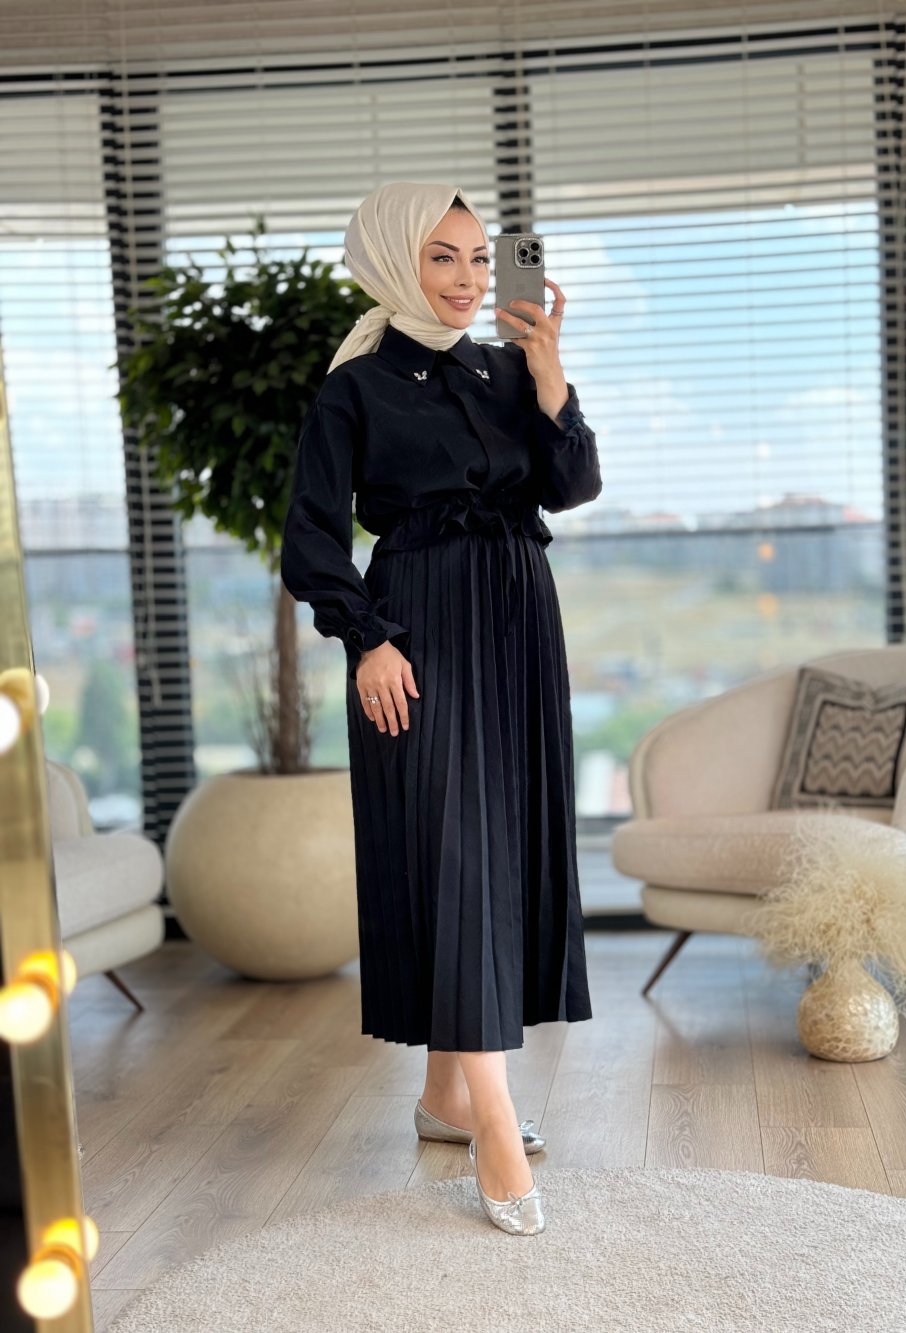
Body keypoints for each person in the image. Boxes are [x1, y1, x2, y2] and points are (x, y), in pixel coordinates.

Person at [280, 181, 602, 1235]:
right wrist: (366, 637)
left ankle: (444, 1097)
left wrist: (551, 379)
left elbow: (571, 487)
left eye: (478, 258)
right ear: (391, 262)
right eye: (441, 258)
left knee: (500, 851)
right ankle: (493, 1120)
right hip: (416, 635)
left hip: (519, 623)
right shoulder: (355, 389)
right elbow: (311, 537)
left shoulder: (508, 371)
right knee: (451, 854)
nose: (467, 280)